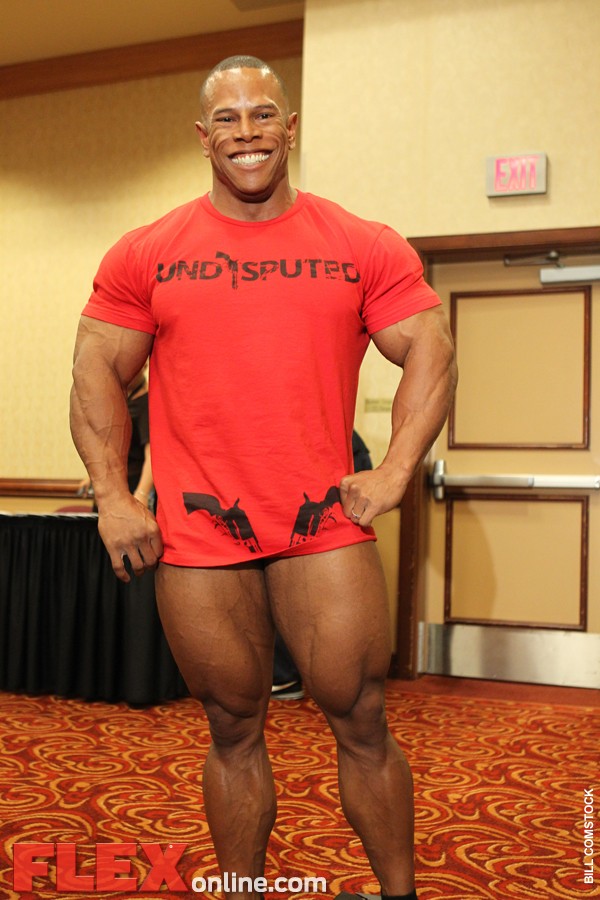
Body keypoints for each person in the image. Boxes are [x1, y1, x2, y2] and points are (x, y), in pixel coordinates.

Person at [70, 55, 457, 900]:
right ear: (203, 136)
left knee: (361, 718)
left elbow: (431, 344)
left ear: (290, 127)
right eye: (229, 118)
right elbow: (95, 366)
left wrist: (397, 469)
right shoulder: (148, 251)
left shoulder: (360, 242)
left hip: (322, 520)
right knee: (231, 726)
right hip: (201, 526)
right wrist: (113, 495)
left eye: (263, 114)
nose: (247, 132)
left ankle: (401, 894)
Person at [271, 431, 374, 701]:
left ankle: (289, 676)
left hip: (320, 459)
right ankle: (338, 682)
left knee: (289, 570)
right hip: (336, 454)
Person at [77, 366, 154, 511]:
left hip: (132, 488)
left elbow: (153, 455)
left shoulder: (147, 402)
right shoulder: (115, 397)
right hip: (109, 488)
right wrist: (92, 477)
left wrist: (142, 493)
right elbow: (107, 446)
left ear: (143, 366)